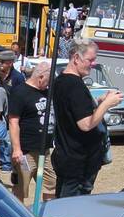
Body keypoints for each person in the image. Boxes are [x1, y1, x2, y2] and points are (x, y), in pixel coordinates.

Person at [51, 41, 119, 198]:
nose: (93, 64)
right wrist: (107, 104)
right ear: (76, 58)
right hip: (78, 162)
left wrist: (99, 103)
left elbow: (76, 114)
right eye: (90, 60)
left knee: (63, 205)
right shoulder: (74, 86)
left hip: (70, 157)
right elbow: (86, 124)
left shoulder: (61, 81)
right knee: (70, 210)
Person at [7, 58, 55, 205]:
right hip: (26, 152)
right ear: (40, 77)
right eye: (48, 80)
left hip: (45, 150)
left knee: (51, 185)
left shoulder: (47, 92)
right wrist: (16, 149)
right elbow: (13, 121)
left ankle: (49, 216)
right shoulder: (20, 92)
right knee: (21, 189)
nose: (49, 84)